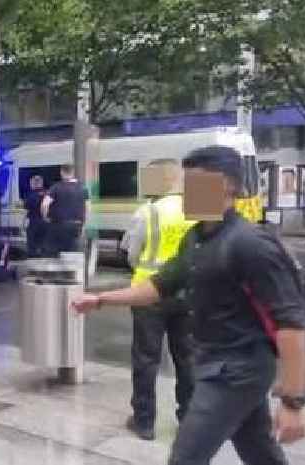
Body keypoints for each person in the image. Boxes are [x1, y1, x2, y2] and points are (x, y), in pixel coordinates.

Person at [73, 146, 305, 465]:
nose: (185, 194)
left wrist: (292, 403)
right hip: (215, 362)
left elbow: (291, 323)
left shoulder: (250, 244)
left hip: (237, 372)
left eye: (193, 185)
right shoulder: (197, 238)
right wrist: (101, 299)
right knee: (258, 451)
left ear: (225, 185)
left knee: (185, 457)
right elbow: (158, 285)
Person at [120, 159, 195, 440]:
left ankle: (144, 422)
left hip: (148, 295)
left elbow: (131, 254)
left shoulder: (147, 212)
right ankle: (189, 418)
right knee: (188, 358)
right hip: (188, 295)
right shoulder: (198, 208)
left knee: (145, 358)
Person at [41, 165, 89, 256]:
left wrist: (45, 217)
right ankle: (70, 269)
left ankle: (57, 268)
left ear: (62, 172)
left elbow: (45, 204)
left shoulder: (56, 187)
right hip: (76, 225)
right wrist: (84, 223)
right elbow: (87, 207)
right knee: (72, 251)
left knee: (53, 251)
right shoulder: (83, 188)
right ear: (73, 173)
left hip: (58, 225)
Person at [25, 175, 47, 258]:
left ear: (34, 184)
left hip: (33, 222)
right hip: (45, 222)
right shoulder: (47, 193)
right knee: (43, 244)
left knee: (32, 245)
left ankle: (33, 259)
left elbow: (26, 207)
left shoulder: (31, 195)